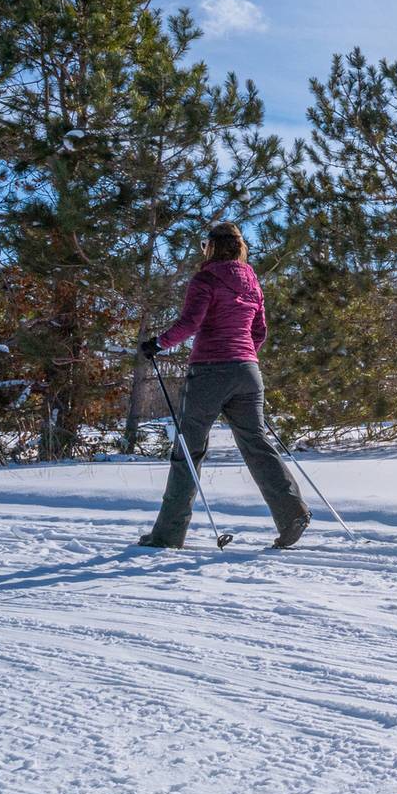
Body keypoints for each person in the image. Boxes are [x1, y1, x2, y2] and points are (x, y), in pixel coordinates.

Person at [136, 222, 311, 550]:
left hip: (210, 372)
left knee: (188, 450)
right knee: (257, 443)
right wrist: (242, 357)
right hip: (248, 372)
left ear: (212, 247)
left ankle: (168, 534)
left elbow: (191, 322)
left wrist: (157, 344)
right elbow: (259, 331)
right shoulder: (251, 280)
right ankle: (292, 514)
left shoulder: (206, 278)